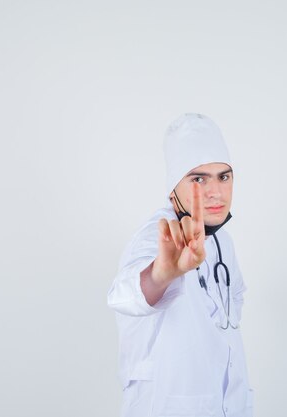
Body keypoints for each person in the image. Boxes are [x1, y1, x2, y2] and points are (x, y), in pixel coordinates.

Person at [107, 113, 253, 417]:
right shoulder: (157, 237)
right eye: (198, 178)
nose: (215, 192)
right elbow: (123, 295)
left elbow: (234, 301)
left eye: (223, 176)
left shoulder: (222, 242)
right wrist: (162, 274)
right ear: (173, 187)